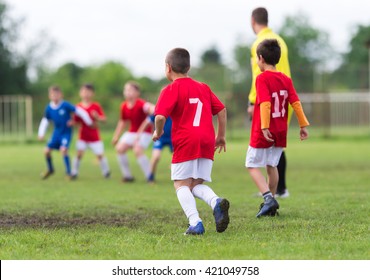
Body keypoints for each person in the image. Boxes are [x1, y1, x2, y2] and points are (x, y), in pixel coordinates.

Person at [153, 48, 230, 235]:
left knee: (180, 185)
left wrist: (159, 131)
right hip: (206, 141)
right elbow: (221, 111)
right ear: (188, 67)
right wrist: (220, 136)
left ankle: (195, 222)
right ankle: (215, 202)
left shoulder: (170, 89)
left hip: (186, 141)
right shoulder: (203, 87)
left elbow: (160, 117)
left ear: (168, 68)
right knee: (195, 185)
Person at [245, 39, 310, 218]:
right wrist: (303, 124)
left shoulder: (262, 78)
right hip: (281, 129)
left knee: (251, 165)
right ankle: (271, 205)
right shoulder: (286, 79)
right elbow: (295, 103)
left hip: (264, 130)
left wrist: (264, 126)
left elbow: (265, 103)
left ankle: (268, 199)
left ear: (260, 58)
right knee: (272, 166)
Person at [248, 7, 292, 198]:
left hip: (265, 102)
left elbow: (259, 77)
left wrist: (251, 102)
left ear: (253, 21)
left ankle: (269, 193)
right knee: (277, 147)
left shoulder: (259, 44)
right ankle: (278, 189)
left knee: (263, 148)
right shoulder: (280, 41)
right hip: (283, 101)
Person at [38, 85, 93, 179]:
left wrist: (88, 121)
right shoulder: (49, 108)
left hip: (66, 133)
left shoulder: (65, 105)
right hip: (56, 133)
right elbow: (45, 120)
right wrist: (41, 133)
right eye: (52, 95)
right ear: (49, 96)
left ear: (61, 95)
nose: (55, 97)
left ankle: (68, 173)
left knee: (63, 150)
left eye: (56, 94)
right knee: (46, 151)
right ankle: (50, 169)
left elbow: (80, 111)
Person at [112, 81, 155, 182]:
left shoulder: (141, 104)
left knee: (137, 150)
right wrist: (116, 136)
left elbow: (152, 109)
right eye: (126, 90)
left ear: (137, 93)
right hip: (132, 132)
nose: (127, 92)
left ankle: (150, 176)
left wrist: (153, 109)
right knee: (119, 148)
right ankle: (127, 176)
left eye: (130, 90)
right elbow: (122, 121)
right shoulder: (123, 106)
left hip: (145, 132)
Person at [70, 84, 111, 179]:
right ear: (80, 93)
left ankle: (106, 172)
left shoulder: (96, 106)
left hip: (94, 136)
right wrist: (72, 123)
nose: (86, 94)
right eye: (84, 92)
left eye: (88, 92)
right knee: (79, 154)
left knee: (100, 155)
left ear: (92, 93)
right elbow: (75, 122)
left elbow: (104, 119)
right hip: (83, 136)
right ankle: (74, 172)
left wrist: (97, 117)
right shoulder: (78, 107)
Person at [137, 113, 173, 184]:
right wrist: (139, 134)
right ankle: (151, 177)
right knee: (156, 157)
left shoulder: (175, 109)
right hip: (160, 137)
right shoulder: (158, 110)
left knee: (176, 159)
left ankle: (178, 177)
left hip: (173, 137)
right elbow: (146, 122)